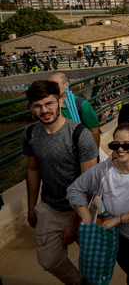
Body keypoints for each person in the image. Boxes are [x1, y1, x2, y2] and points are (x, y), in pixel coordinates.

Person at [67, 123, 129, 285]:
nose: (120, 149)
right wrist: (86, 218)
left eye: (127, 145)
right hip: (118, 236)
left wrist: (116, 220)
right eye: (115, 145)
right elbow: (74, 190)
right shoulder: (102, 170)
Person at [24, 80, 98, 285]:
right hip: (51, 206)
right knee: (49, 260)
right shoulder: (30, 134)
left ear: (60, 102)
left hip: (84, 208)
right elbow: (33, 169)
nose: (44, 110)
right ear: (31, 107)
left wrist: (75, 222)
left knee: (95, 262)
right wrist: (31, 207)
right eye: (37, 105)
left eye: (49, 103)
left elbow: (89, 183)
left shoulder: (80, 135)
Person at [48, 72, 101, 148]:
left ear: (66, 85)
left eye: (55, 85)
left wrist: (95, 155)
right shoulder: (49, 107)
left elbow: (94, 131)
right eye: (49, 86)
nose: (51, 89)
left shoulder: (83, 105)